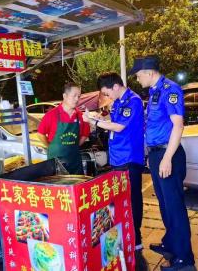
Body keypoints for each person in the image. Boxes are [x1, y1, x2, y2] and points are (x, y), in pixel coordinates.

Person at [130, 55, 195, 270]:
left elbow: (178, 125)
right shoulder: (154, 90)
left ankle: (184, 260)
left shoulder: (170, 89)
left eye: (138, 75)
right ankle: (172, 247)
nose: (137, 79)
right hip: (159, 154)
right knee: (166, 206)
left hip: (170, 154)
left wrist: (166, 158)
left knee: (175, 208)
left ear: (149, 73)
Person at [83, 72, 147, 270]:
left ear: (115, 86)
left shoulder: (133, 101)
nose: (107, 96)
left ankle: (136, 240)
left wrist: (93, 122)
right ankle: (128, 235)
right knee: (123, 200)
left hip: (129, 159)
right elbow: (113, 120)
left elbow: (119, 127)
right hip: (119, 158)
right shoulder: (119, 101)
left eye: (106, 92)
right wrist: (99, 117)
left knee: (133, 199)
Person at [37, 82, 90, 174]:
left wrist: (75, 146)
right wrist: (50, 146)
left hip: (74, 162)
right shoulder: (51, 115)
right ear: (65, 96)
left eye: (79, 96)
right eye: (74, 96)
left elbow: (85, 134)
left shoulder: (81, 116)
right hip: (56, 162)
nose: (77, 99)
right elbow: (40, 134)